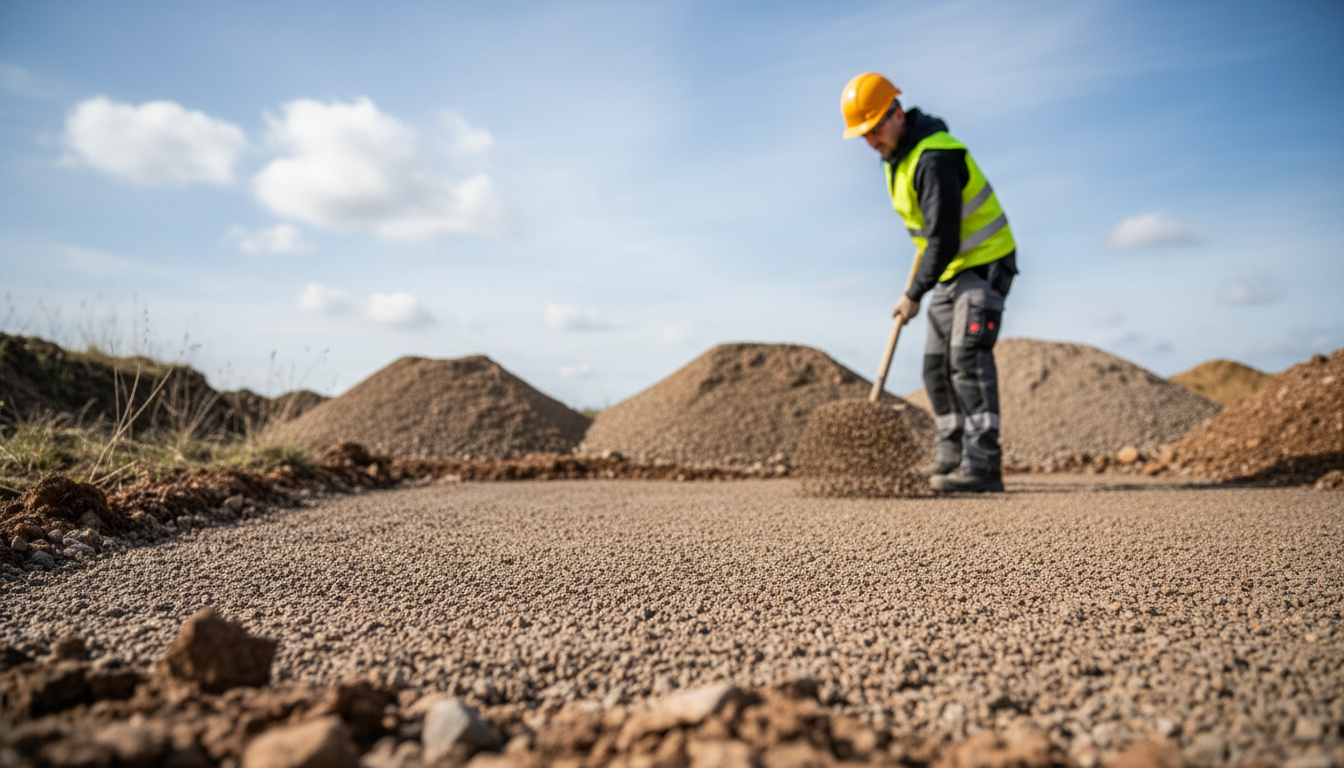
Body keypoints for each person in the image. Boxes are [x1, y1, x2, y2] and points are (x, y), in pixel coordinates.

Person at [841, 72, 1018, 493]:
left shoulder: (934, 157)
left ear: (897, 113)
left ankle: (983, 466)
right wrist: (923, 282)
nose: (870, 142)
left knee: (967, 358)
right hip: (951, 269)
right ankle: (950, 457)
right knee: (935, 367)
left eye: (875, 129)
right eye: (863, 135)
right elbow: (929, 235)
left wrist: (913, 293)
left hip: (984, 262)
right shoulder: (898, 160)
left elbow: (944, 237)